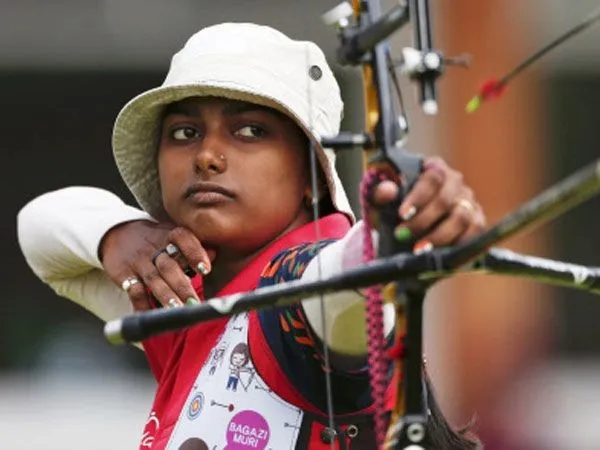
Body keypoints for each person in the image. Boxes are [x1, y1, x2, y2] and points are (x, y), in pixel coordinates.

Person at [17, 23, 486, 449]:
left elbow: (342, 281)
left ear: (312, 175)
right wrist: (118, 235)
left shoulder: (299, 289)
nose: (207, 156)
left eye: (250, 130)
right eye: (184, 132)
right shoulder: (181, 289)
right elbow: (38, 227)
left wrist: (395, 230)